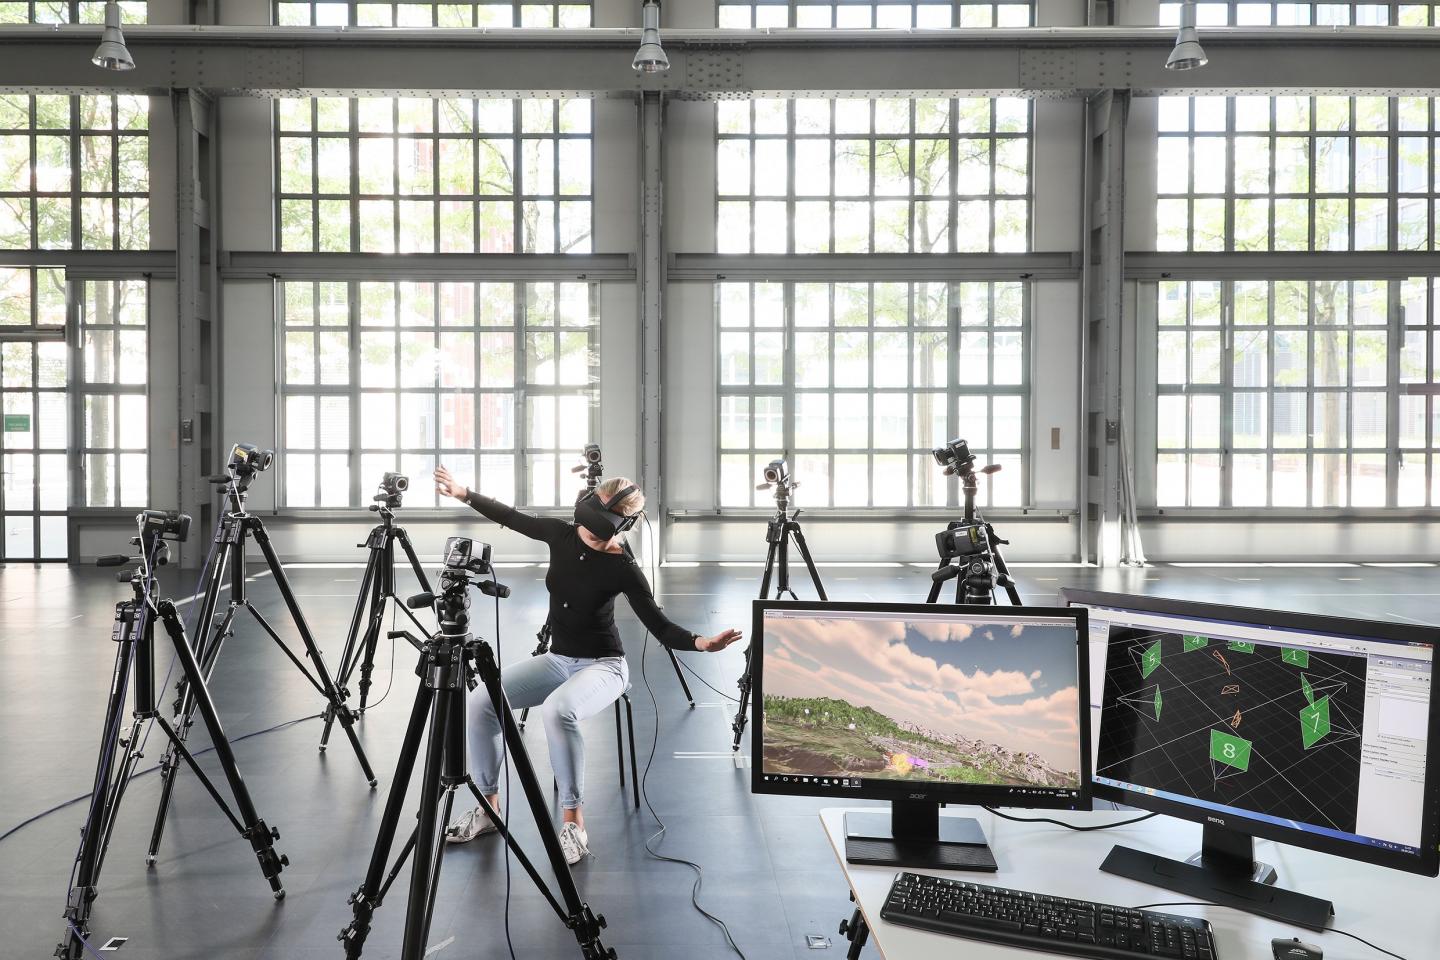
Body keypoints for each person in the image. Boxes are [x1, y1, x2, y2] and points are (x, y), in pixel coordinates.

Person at [433, 465, 743, 865]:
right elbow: (511, 516)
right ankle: (489, 806)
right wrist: (465, 493)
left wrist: (701, 643)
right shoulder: (560, 534)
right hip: (558, 659)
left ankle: (574, 822)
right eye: (589, 525)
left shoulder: (622, 567)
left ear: (622, 526)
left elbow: (659, 625)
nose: (592, 536)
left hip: (604, 667)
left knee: (558, 711)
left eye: (602, 531)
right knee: (481, 701)